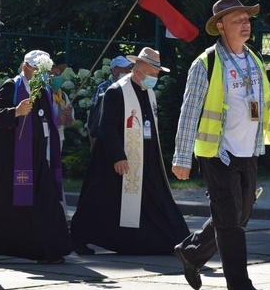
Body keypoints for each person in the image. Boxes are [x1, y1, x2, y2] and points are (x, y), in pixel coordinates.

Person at [171, 0, 270, 290]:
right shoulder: (206, 62)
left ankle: (191, 252)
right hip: (216, 153)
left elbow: (268, 101)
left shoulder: (254, 59)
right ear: (221, 27)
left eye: (247, 19)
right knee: (231, 221)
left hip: (248, 151)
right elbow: (189, 111)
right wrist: (182, 157)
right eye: (238, 20)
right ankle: (240, 285)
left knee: (238, 214)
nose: (246, 24)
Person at [71, 47, 189, 255]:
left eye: (157, 74)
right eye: (153, 73)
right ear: (138, 70)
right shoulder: (116, 92)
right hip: (113, 158)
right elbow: (106, 127)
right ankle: (78, 238)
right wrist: (118, 156)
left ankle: (174, 239)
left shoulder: (148, 92)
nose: (155, 78)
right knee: (100, 200)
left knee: (154, 198)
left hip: (144, 158)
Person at [0, 50, 70, 264]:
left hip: (37, 157)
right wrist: (15, 111)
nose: (42, 75)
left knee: (45, 201)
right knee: (0, 202)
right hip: (10, 158)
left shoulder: (43, 90)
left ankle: (48, 249)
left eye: (45, 71)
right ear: (25, 67)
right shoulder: (12, 86)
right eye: (38, 70)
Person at [88, 55, 133, 146]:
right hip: (104, 136)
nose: (128, 72)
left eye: (129, 68)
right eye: (125, 69)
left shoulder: (131, 87)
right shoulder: (103, 88)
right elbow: (94, 114)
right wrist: (93, 141)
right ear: (115, 72)